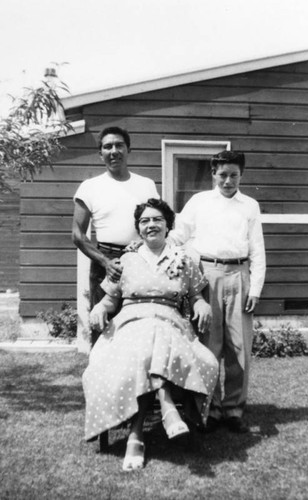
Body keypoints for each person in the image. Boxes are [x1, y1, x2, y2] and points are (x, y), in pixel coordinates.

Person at [83, 198, 219, 471]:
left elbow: (195, 296)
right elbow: (110, 300)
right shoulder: (125, 261)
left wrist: (202, 304)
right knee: (147, 334)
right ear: (139, 229)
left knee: (153, 335)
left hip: (171, 324)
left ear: (168, 224)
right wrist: (99, 307)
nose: (151, 224)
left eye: (157, 219)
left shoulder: (185, 259)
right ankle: (167, 407)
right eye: (144, 221)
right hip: (129, 325)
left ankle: (136, 435)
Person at [169, 150, 266, 433]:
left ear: (241, 175)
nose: (227, 181)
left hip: (239, 275)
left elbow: (257, 249)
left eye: (233, 175)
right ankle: (210, 408)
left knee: (239, 348)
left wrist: (255, 288)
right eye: (222, 175)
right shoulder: (199, 202)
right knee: (209, 344)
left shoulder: (249, 205)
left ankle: (234, 409)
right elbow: (177, 235)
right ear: (213, 174)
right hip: (207, 275)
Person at [72, 126, 159, 342]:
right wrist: (105, 262)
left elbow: (159, 221)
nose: (114, 151)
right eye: (107, 146)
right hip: (106, 262)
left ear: (128, 149)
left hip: (141, 260)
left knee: (140, 327)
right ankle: (99, 375)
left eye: (119, 145)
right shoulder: (90, 187)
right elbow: (77, 234)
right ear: (100, 153)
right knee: (103, 328)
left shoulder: (146, 185)